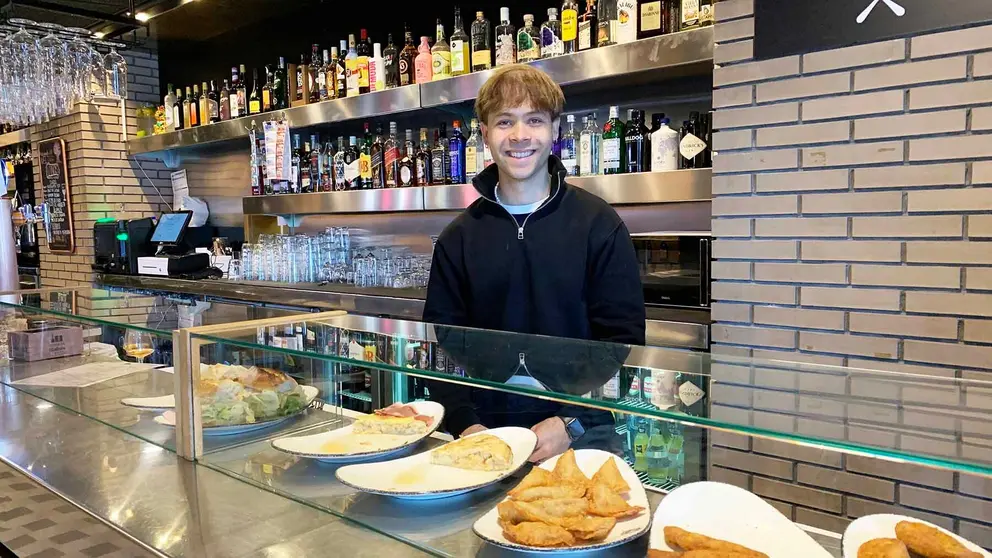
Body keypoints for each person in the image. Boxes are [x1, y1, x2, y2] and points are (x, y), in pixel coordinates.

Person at [423, 64, 645, 462]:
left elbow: (624, 345)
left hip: (583, 433)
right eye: (505, 121)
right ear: (486, 133)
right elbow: (441, 347)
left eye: (535, 120)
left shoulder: (599, 224)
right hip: (485, 429)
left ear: (555, 129)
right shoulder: (458, 237)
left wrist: (572, 421)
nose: (520, 136)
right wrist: (466, 425)